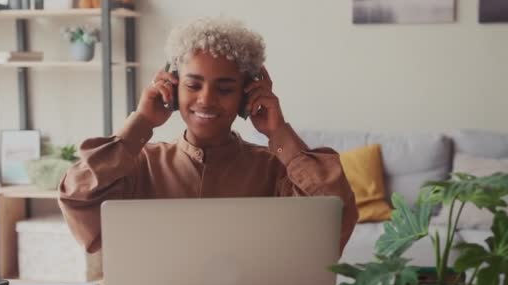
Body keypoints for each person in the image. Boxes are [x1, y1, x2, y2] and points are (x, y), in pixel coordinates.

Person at [58, 17, 358, 254]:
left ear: (246, 94)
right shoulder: (138, 164)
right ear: (172, 88)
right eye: (193, 85)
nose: (206, 99)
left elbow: (333, 220)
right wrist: (140, 124)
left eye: (225, 89)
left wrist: (279, 133)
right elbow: (77, 197)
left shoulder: (274, 171)